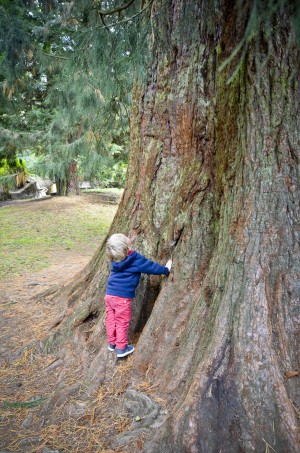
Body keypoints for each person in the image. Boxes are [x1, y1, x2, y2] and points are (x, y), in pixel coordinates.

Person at [105, 233, 172, 358]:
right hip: (122, 298)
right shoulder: (134, 259)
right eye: (125, 237)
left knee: (111, 319)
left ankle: (112, 343)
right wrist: (165, 270)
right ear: (127, 246)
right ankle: (121, 348)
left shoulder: (114, 260)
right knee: (121, 322)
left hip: (109, 295)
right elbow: (151, 267)